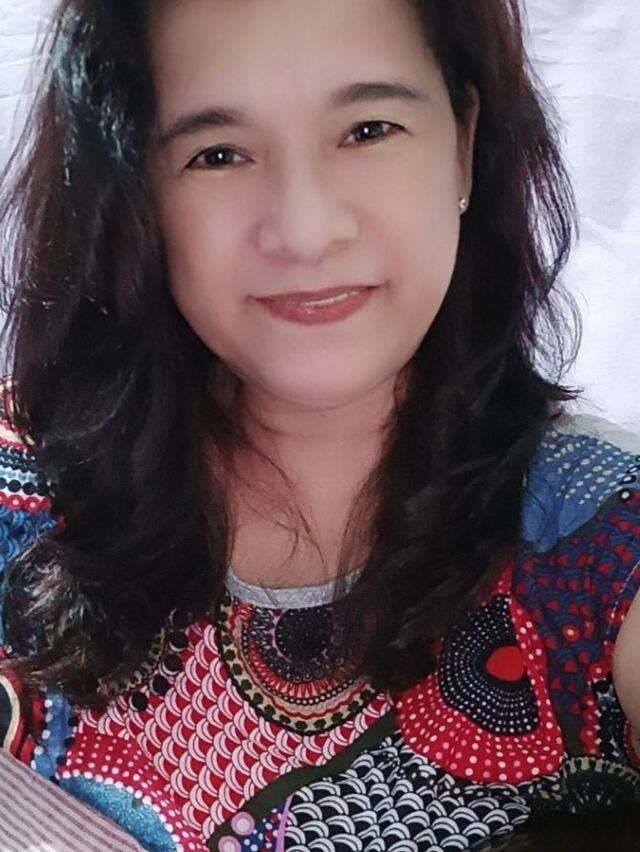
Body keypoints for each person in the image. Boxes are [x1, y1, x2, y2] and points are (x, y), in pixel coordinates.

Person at [0, 0, 638, 849]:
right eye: (218, 153)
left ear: (464, 144)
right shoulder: (21, 474)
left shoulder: (601, 547)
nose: (305, 231)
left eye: (368, 130)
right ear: (136, 193)